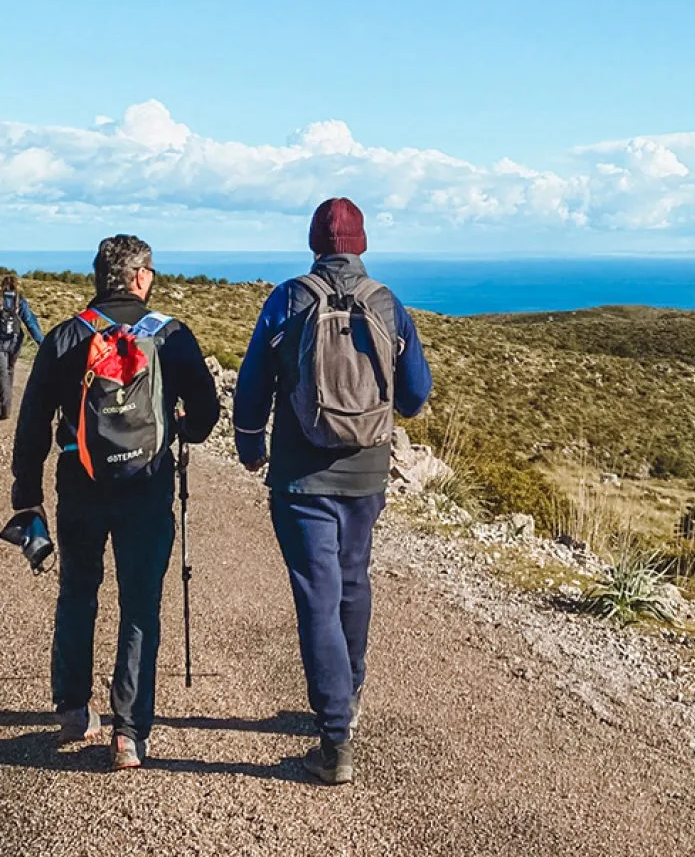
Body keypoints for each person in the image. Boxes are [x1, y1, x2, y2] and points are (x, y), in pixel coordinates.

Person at [233, 197, 432, 785]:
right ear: (361, 243)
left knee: (316, 596)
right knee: (353, 580)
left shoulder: (288, 299)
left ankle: (336, 741)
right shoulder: (387, 305)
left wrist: (251, 447)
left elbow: (250, 388)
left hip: (301, 476)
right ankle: (352, 692)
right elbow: (417, 395)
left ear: (316, 242)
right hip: (367, 472)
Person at [11, 235, 219, 770]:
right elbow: (204, 413)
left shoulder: (64, 338)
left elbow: (32, 424)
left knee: (78, 591)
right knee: (140, 604)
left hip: (80, 485)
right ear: (141, 277)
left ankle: (74, 709)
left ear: (98, 276)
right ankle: (129, 734)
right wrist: (180, 429)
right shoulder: (170, 335)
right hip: (146, 487)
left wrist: (26, 496)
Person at [0, 274, 45, 420]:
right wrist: (42, 343)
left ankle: (5, 407)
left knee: (2, 374)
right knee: (10, 371)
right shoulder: (20, 302)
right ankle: (7, 405)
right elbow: (30, 323)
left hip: (1, 343)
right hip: (15, 342)